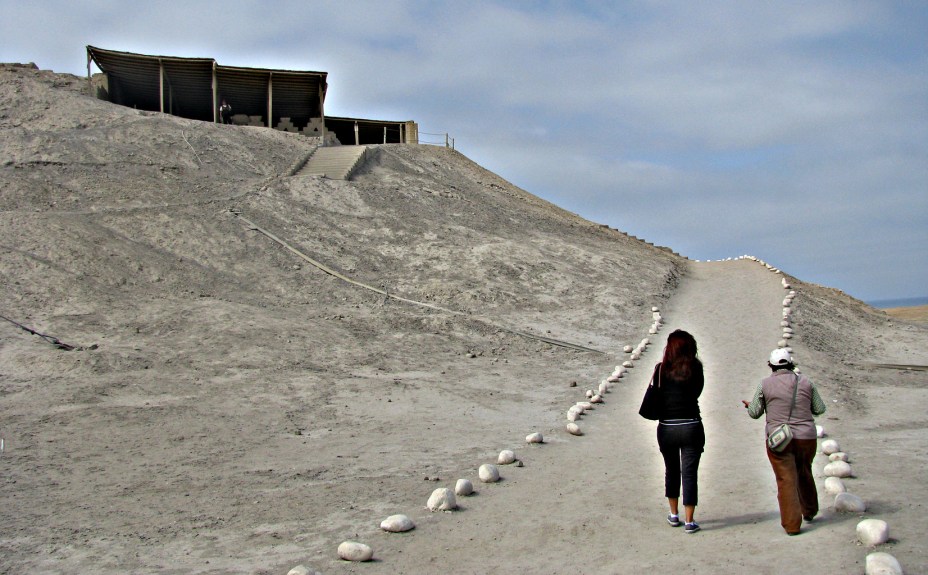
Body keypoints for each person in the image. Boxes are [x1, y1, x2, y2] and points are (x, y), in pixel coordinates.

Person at [742, 349, 826, 535]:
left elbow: (755, 412)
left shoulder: (764, 385)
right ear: (790, 364)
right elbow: (819, 409)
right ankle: (810, 510)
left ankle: (792, 525)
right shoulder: (806, 382)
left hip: (779, 439)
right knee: (805, 470)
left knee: (786, 479)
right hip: (806, 437)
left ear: (771, 365)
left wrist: (750, 406)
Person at [652, 329, 705, 533]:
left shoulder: (661, 369)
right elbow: (698, 391)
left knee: (671, 470)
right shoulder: (696, 368)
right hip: (691, 424)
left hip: (667, 426)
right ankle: (690, 521)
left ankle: (674, 515)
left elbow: (656, 394)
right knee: (690, 473)